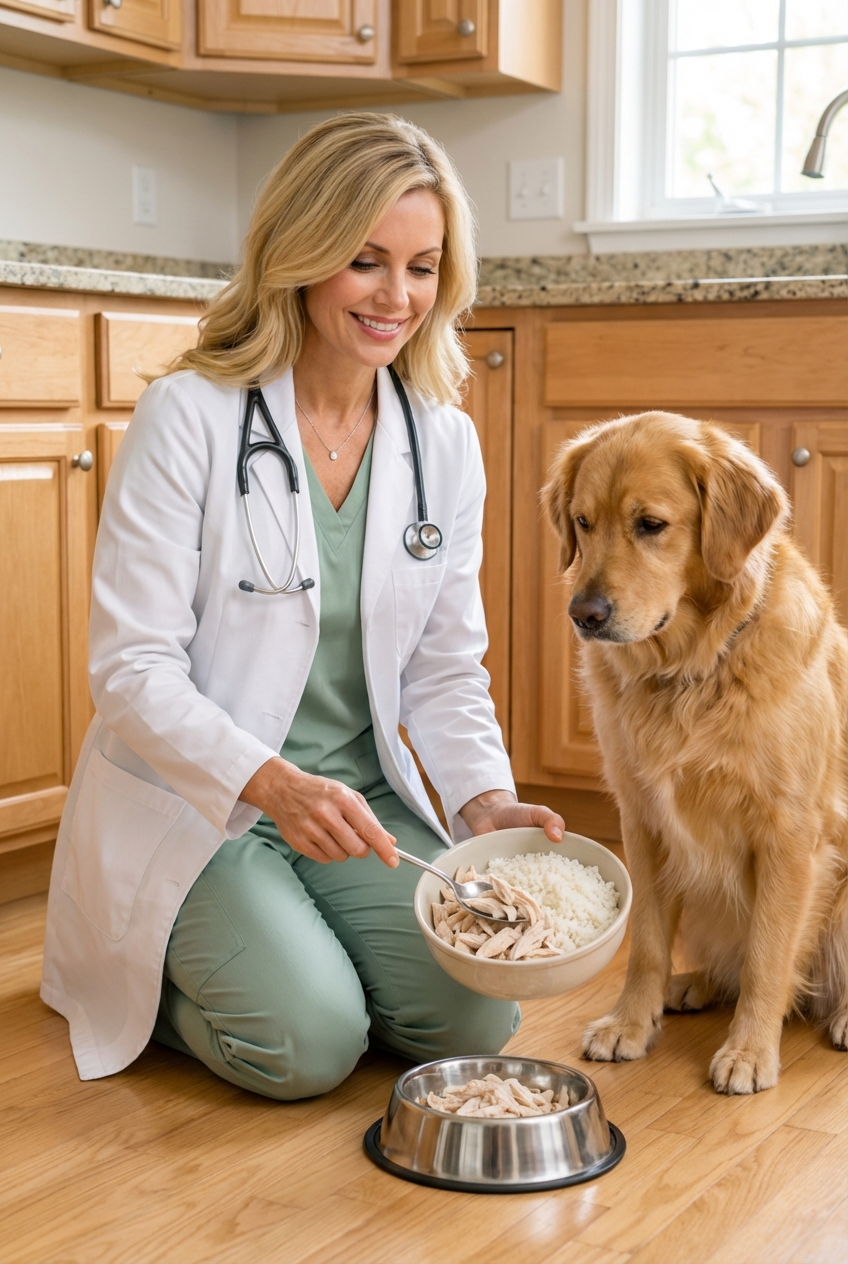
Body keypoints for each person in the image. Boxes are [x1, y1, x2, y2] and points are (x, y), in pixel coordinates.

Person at [41, 113, 564, 1098]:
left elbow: (444, 667)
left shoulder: (439, 441)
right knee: (310, 1048)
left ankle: (301, 948)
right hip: (206, 800)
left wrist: (481, 800)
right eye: (365, 261)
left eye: (422, 267)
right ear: (302, 253)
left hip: (356, 808)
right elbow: (130, 668)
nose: (395, 296)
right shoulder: (190, 415)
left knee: (473, 1013)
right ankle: (153, 982)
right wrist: (271, 783)